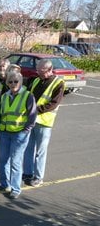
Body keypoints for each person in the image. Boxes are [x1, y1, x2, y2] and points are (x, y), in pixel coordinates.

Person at [23, 58, 65, 187]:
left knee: (40, 151)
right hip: (31, 120)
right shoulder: (36, 80)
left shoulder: (58, 83)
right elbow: (29, 97)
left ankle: (38, 177)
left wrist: (36, 110)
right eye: (37, 70)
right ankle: (28, 173)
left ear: (49, 70)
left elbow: (54, 103)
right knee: (29, 148)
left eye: (41, 71)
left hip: (45, 122)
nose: (38, 73)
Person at [0, 71, 37, 199]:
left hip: (19, 134)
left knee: (15, 161)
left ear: (21, 82)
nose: (13, 84)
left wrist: (26, 130)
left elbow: (32, 116)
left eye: (16, 81)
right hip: (4, 132)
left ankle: (15, 188)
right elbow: (0, 114)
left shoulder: (27, 96)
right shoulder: (4, 96)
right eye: (10, 81)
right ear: (7, 83)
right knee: (3, 160)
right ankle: (5, 184)